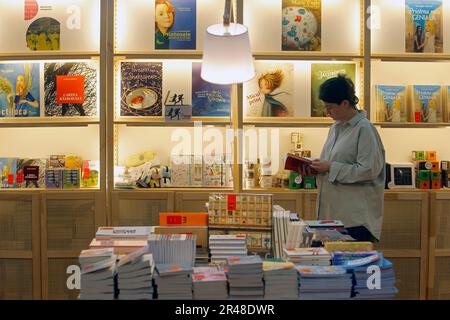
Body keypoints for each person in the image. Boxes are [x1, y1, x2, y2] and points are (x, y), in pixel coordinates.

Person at [300, 75, 386, 242]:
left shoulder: (365, 130)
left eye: (330, 108)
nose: (327, 112)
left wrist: (330, 167)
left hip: (354, 221)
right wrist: (315, 169)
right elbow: (332, 164)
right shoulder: (335, 127)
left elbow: (368, 170)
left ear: (345, 103)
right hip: (330, 218)